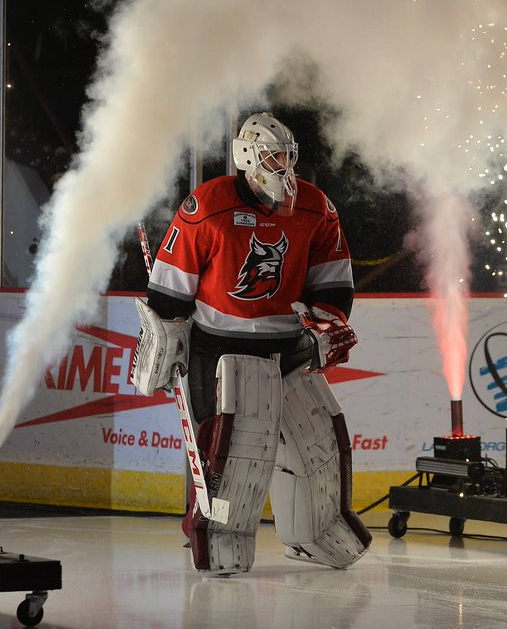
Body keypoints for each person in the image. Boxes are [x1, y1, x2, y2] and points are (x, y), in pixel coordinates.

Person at [131, 111, 372, 575]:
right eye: (273, 157)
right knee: (234, 452)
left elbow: (333, 282)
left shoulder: (315, 207)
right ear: (247, 158)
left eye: (288, 157)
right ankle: (219, 533)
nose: (284, 168)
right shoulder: (208, 206)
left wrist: (325, 323)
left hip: (290, 346)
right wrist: (164, 337)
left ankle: (314, 531)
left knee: (319, 443)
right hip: (220, 350)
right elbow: (168, 290)